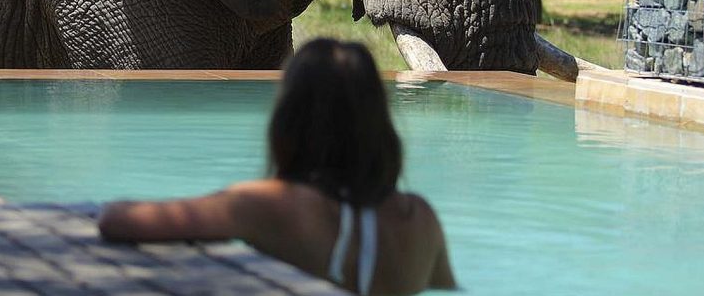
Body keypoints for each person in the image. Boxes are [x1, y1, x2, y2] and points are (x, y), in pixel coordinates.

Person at [98, 39, 457, 295]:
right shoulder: (421, 219)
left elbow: (118, 221)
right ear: (380, 124)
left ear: (288, 123)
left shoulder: (275, 205)